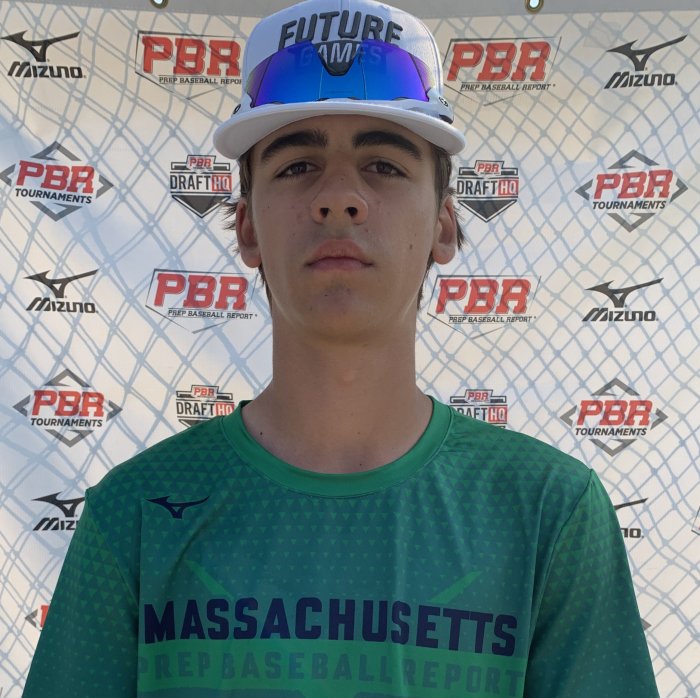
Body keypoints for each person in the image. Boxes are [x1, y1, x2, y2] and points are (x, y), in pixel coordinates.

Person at [23, 0, 660, 696]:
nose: (339, 198)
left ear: (445, 225)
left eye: (383, 164)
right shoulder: (135, 515)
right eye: (298, 165)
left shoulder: (549, 512)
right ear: (246, 228)